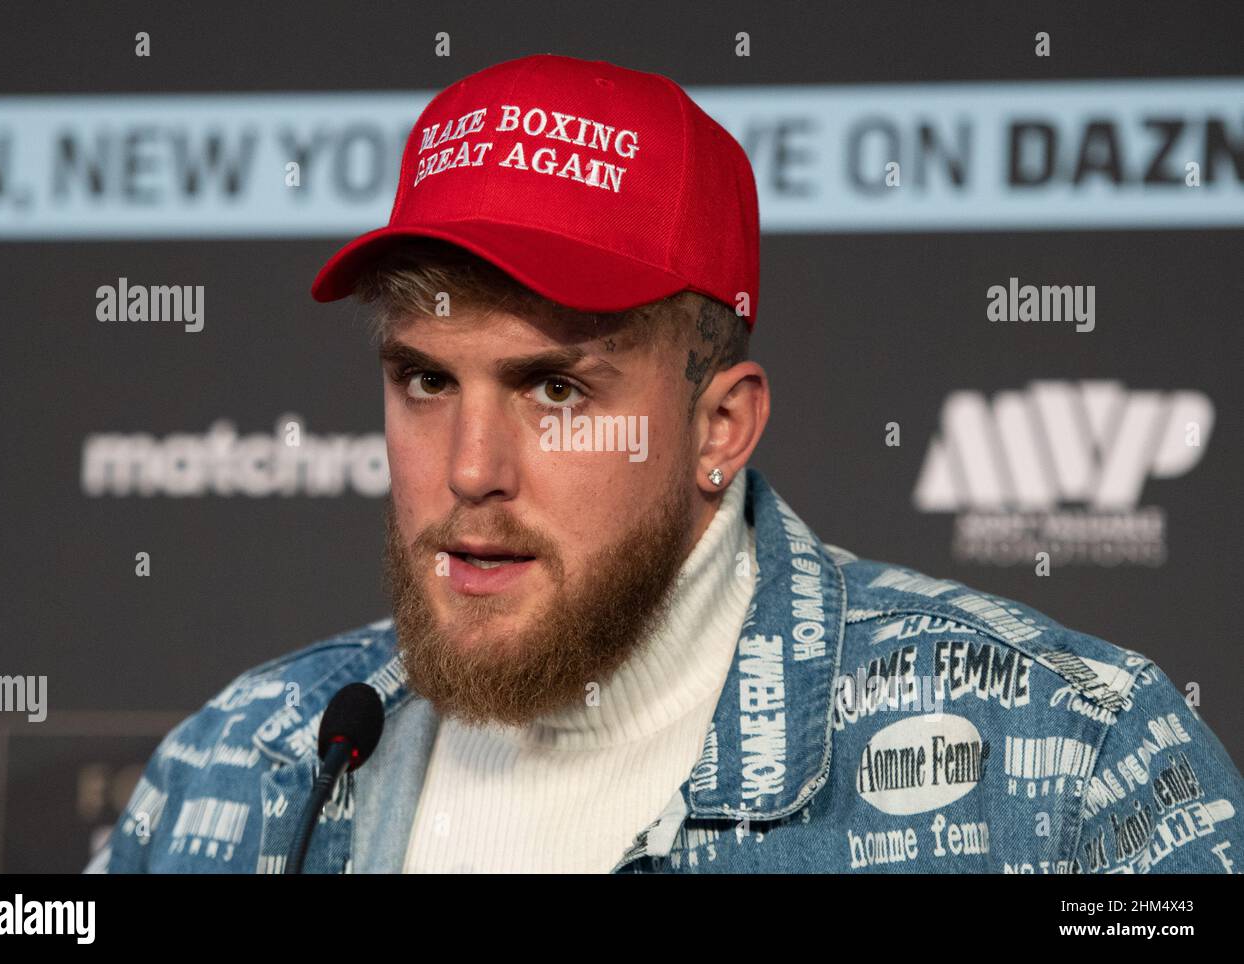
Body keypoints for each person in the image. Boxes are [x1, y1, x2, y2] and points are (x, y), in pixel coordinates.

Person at [87, 53, 1244, 874]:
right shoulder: (239, 770)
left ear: (719, 429)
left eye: (555, 390)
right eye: (426, 381)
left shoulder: (1068, 768)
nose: (470, 470)